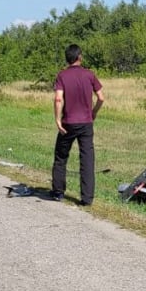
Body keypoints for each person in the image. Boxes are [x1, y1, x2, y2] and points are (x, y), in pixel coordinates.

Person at [50, 44, 104, 206]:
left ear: (67, 58)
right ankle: (87, 198)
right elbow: (101, 97)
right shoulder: (89, 74)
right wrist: (94, 112)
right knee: (87, 158)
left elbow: (58, 99)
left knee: (61, 156)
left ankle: (58, 192)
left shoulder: (62, 76)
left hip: (68, 123)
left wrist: (58, 119)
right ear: (80, 57)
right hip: (86, 123)